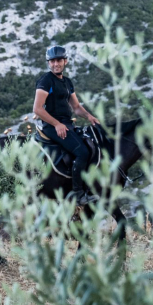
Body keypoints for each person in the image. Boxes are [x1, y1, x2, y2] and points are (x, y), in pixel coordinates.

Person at [33, 45, 101, 205]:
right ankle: (78, 194)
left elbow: (76, 107)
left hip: (66, 124)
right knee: (82, 152)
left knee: (92, 145)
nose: (56, 64)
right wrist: (57, 124)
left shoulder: (67, 82)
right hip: (52, 126)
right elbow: (37, 108)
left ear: (66, 61)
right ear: (49, 63)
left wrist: (89, 116)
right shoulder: (46, 80)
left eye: (59, 60)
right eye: (52, 61)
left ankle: (87, 186)